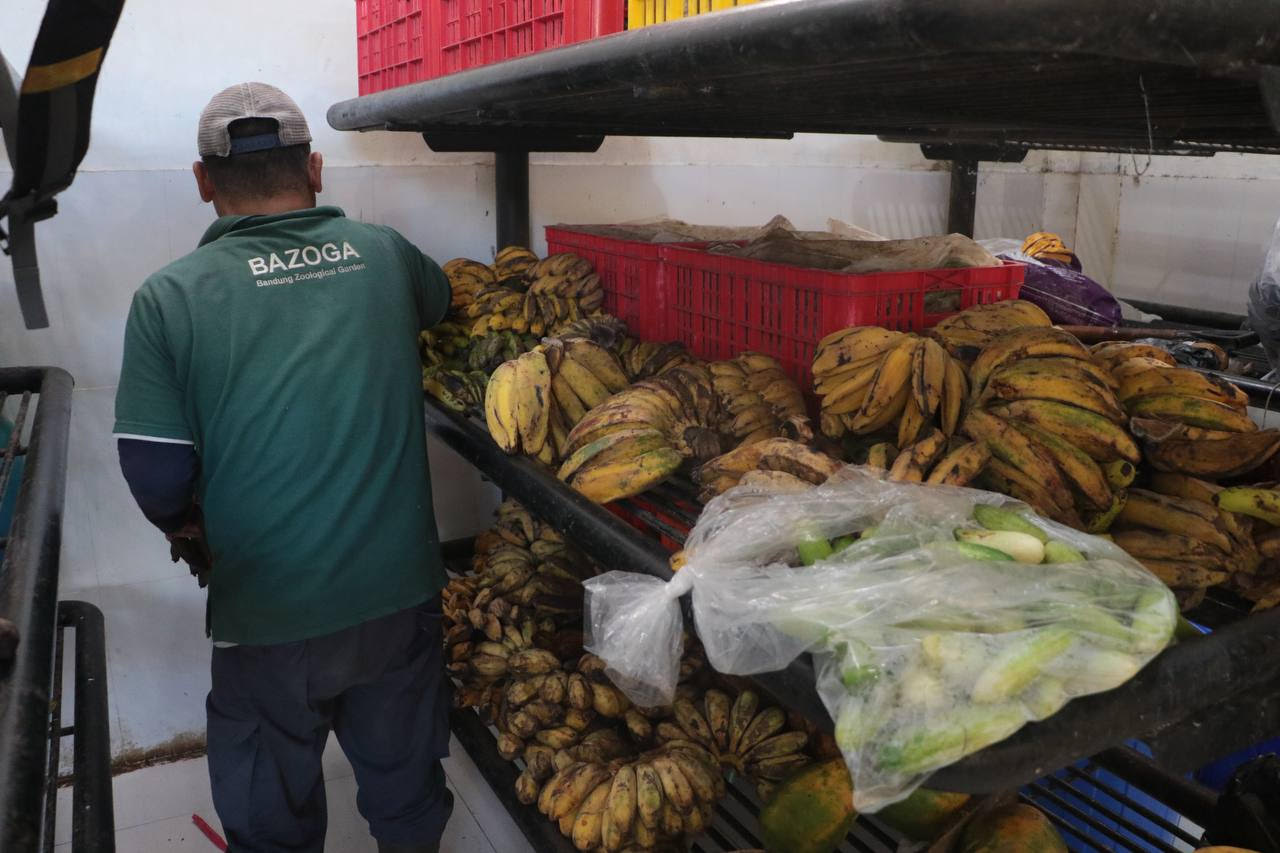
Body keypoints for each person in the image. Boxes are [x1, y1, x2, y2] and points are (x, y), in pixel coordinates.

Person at [113, 82, 453, 853]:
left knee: (271, 812)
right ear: (317, 168)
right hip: (399, 594)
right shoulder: (385, 252)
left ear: (203, 182)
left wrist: (186, 522)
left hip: (269, 612)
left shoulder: (169, 297)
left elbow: (157, 476)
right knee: (407, 794)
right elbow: (441, 304)